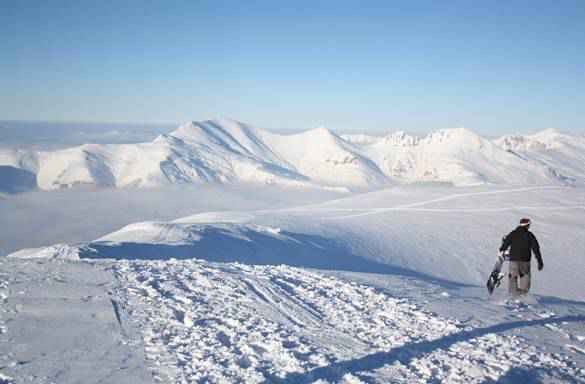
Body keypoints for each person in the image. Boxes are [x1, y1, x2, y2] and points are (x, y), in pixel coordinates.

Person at [499, 218, 544, 297]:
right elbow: (536, 249)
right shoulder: (530, 235)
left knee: (512, 279)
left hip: (513, 261)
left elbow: (506, 243)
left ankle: (512, 297)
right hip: (525, 262)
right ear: (527, 225)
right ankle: (522, 297)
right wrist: (539, 261)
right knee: (525, 285)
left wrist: (502, 250)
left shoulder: (513, 233)